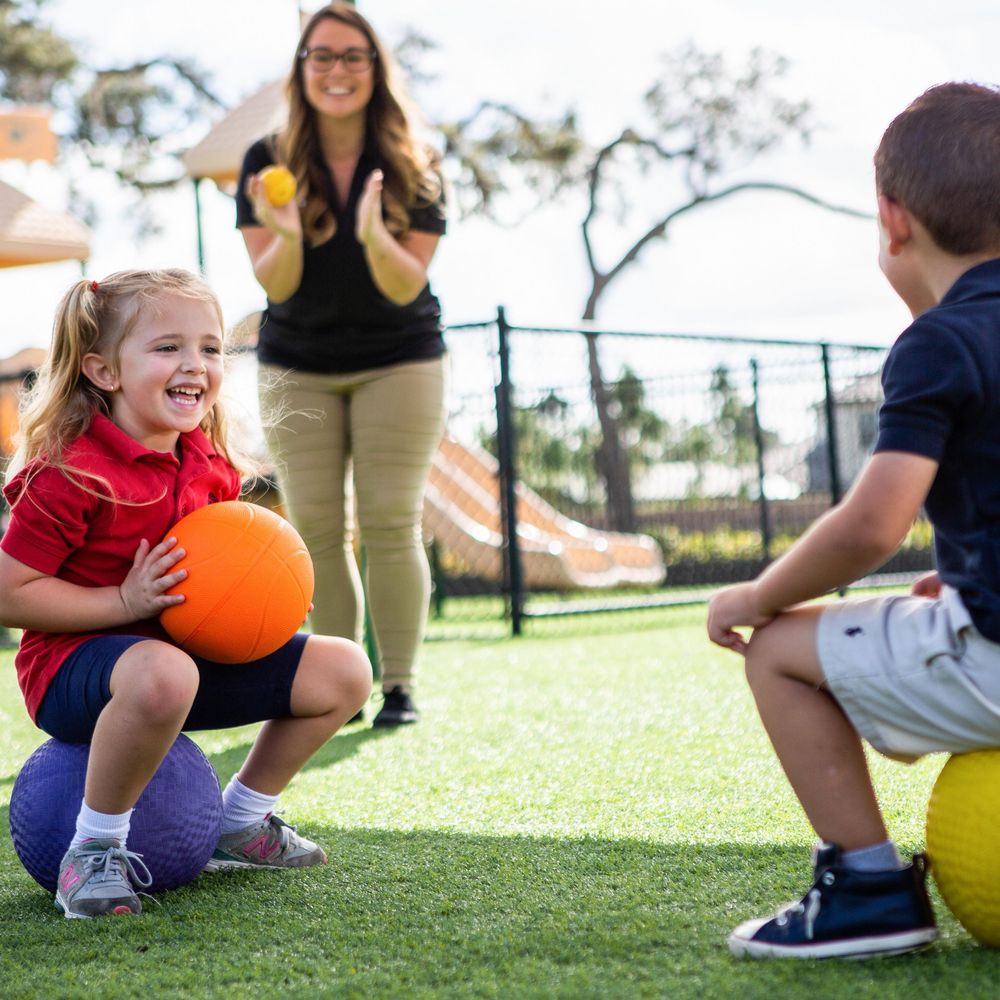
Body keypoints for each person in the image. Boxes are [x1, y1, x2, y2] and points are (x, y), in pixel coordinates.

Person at [707, 81, 1000, 960]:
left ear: (893, 220)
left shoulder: (940, 342)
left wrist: (759, 593)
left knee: (782, 654)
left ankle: (867, 887)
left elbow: (876, 523)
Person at [0, 269, 372, 919]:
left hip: (183, 661)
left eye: (209, 347)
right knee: (163, 672)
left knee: (343, 670)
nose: (194, 364)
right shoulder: (69, 473)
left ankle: (243, 822)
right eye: (167, 347)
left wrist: (263, 604)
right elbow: (10, 594)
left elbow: (221, 573)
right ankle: (91, 855)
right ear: (104, 370)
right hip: (71, 672)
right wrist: (123, 603)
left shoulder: (207, 460)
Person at [235, 3, 447, 727]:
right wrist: (289, 230)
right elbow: (278, 284)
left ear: (375, 68)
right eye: (321, 56)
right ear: (301, 69)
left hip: (401, 361)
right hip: (298, 362)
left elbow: (402, 284)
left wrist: (369, 234)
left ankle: (399, 686)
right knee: (319, 528)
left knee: (392, 522)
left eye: (353, 56)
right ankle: (340, 685)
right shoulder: (266, 163)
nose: (336, 70)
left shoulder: (416, 161)